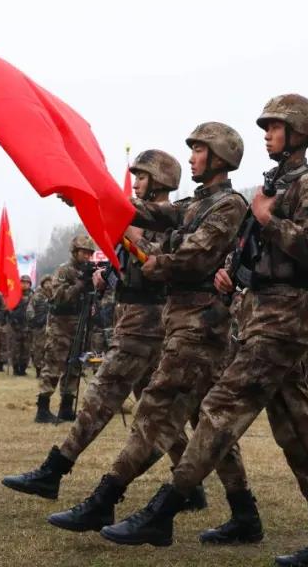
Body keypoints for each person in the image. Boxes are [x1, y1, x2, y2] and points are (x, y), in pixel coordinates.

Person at [96, 95, 308, 566]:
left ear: (299, 134)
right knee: (296, 428)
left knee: (219, 409)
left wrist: (270, 220)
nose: (266, 134)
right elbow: (242, 244)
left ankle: (163, 510)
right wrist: (237, 270)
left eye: (274, 127)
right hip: (265, 314)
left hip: (285, 319)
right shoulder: (277, 185)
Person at [50, 123, 256, 543]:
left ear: (218, 158)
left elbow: (195, 256)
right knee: (207, 422)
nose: (192, 157)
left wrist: (157, 263)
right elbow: (148, 213)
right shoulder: (194, 204)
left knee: (157, 412)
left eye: (199, 150)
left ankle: (108, 500)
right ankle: (244, 513)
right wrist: (88, 196)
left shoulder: (228, 205)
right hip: (182, 322)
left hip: (200, 325)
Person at [3, 150, 211, 519]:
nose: (136, 182)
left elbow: (162, 265)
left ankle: (55, 469)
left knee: (102, 394)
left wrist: (131, 236)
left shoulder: (172, 222)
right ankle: (190, 486)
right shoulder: (139, 217)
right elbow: (120, 247)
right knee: (154, 411)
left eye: (143, 176)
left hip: (146, 322)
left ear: (161, 180)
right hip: (131, 316)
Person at [36, 235, 97, 423]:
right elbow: (58, 297)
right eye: (83, 252)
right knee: (54, 364)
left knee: (75, 366)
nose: (87, 256)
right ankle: (43, 409)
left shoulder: (87, 272)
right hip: (61, 325)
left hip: (79, 323)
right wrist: (79, 285)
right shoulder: (64, 270)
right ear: (75, 251)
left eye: (89, 253)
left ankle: (66, 407)